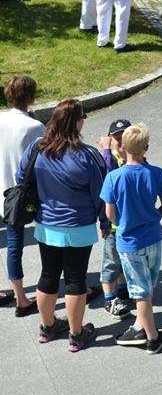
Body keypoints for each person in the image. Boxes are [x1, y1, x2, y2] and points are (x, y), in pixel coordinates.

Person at [17, 99, 107, 353]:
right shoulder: (88, 155)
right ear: (76, 122)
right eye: (83, 117)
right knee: (75, 279)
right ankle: (77, 334)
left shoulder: (38, 147)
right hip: (79, 227)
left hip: (46, 225)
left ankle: (47, 327)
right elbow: (99, 194)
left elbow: (22, 176)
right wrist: (105, 223)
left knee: (48, 275)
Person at [100, 124, 162, 353]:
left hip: (129, 242)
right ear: (146, 148)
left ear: (122, 147)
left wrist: (123, 222)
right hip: (153, 237)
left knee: (139, 291)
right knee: (148, 285)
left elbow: (109, 214)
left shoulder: (113, 178)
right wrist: (154, 217)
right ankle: (141, 323)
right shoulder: (156, 173)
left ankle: (151, 337)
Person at [0, 76, 44, 315]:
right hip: (26, 194)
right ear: (30, 97)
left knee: (13, 244)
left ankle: (19, 295)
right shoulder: (34, 127)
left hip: (2, 191)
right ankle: (27, 299)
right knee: (47, 239)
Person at [97, 117, 132, 317]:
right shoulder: (107, 159)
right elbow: (108, 177)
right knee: (111, 261)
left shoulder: (132, 157)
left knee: (124, 260)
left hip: (128, 222)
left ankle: (122, 289)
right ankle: (109, 298)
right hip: (113, 224)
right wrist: (106, 152)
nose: (120, 141)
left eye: (124, 136)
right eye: (116, 137)